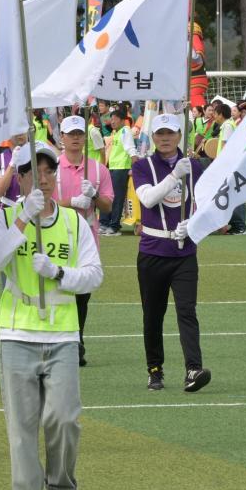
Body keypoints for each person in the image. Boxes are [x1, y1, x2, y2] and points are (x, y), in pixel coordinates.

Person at [0, 142, 103, 490]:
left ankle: (60, 489)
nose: (45, 179)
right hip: (17, 334)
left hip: (63, 335)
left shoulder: (73, 222)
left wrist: (58, 273)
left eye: (49, 171)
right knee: (22, 427)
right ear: (20, 180)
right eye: (34, 172)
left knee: (64, 418)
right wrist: (22, 222)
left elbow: (94, 274)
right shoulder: (6, 217)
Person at [131, 112, 211, 393]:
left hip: (185, 252)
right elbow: (148, 199)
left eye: (170, 133)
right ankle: (155, 370)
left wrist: (193, 225)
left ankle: (193, 368)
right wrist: (174, 175)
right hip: (153, 251)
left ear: (180, 135)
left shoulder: (195, 167)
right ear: (152, 137)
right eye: (160, 134)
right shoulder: (142, 166)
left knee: (187, 311)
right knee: (153, 314)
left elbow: (204, 203)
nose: (165, 138)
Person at [55, 115, 113, 366]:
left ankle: (77, 341)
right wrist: (70, 203)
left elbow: (108, 206)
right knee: (58, 288)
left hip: (87, 237)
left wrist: (94, 194)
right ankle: (60, 341)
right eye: (71, 134)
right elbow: (40, 202)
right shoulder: (52, 166)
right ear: (62, 137)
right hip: (57, 233)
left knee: (82, 293)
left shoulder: (98, 169)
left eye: (79, 133)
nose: (76, 138)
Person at [101, 104, 136, 237]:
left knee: (117, 198)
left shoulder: (125, 131)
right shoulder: (116, 132)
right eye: (112, 118)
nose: (113, 121)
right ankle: (104, 223)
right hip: (113, 168)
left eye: (115, 118)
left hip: (121, 169)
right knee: (107, 196)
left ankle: (114, 226)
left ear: (122, 120)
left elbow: (131, 150)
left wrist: (133, 168)